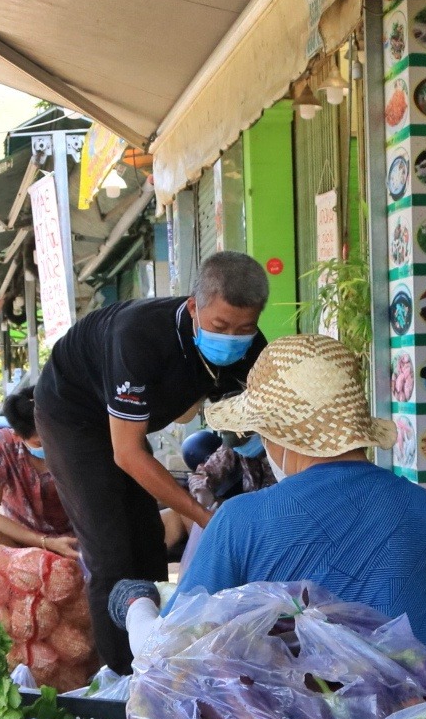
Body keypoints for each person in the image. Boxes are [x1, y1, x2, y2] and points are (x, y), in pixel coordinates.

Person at [108, 333, 426, 696]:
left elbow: (164, 654)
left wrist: (135, 605)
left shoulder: (242, 520)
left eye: (262, 432)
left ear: (280, 434)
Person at [35, 251, 269, 671]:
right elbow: (127, 453)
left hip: (135, 421)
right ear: (194, 306)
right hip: (76, 416)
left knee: (147, 540)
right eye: (219, 327)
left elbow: (252, 433)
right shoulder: (138, 336)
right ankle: (121, 678)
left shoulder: (253, 349)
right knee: (112, 548)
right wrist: (202, 516)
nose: (233, 337)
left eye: (245, 328)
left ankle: (159, 661)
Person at [0, 386, 78, 559]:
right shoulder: (1, 444)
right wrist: (44, 542)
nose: (50, 447)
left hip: (72, 546)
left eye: (53, 439)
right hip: (20, 546)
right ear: (17, 436)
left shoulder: (74, 445)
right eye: (40, 443)